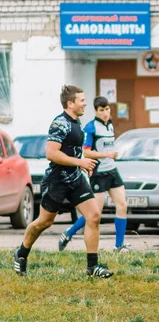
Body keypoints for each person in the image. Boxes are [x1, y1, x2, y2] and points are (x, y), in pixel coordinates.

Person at [13, 85, 113, 278]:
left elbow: (73, 150)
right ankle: (21, 253)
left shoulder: (77, 122)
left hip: (75, 178)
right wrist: (80, 161)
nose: (85, 103)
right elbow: (51, 154)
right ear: (70, 103)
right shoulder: (60, 123)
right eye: (81, 100)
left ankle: (92, 267)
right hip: (57, 181)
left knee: (93, 216)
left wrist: (84, 165)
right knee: (44, 222)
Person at [58, 96, 130, 253]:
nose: (105, 113)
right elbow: (86, 152)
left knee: (122, 205)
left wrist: (110, 155)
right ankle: (68, 233)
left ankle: (119, 246)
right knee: (95, 212)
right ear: (96, 111)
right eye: (102, 110)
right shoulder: (91, 128)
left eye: (107, 109)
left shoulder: (110, 125)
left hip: (112, 171)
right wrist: (106, 154)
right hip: (99, 174)